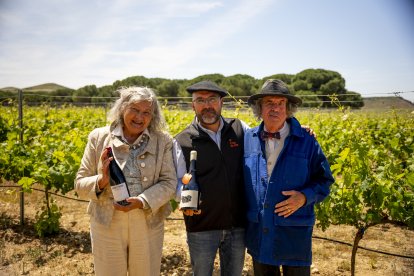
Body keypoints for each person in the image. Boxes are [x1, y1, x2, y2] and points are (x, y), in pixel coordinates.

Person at [75, 86, 176, 276]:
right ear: (122, 109)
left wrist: (142, 201)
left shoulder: (163, 141)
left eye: (147, 112)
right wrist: (102, 180)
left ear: (153, 116)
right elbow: (79, 184)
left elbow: (169, 182)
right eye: (135, 110)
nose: (140, 117)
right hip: (107, 222)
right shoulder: (98, 137)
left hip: (147, 221)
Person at [243, 79, 334, 276]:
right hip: (260, 233)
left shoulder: (307, 141)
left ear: (288, 108)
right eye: (269, 103)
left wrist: (304, 197)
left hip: (294, 234)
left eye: (280, 103)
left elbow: (325, 180)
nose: (275, 108)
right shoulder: (247, 139)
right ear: (260, 107)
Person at [173, 80, 248, 276]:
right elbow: (177, 183)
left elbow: (269, 137)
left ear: (222, 102)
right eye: (200, 100)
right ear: (193, 106)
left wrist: (295, 128)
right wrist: (184, 198)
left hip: (237, 226)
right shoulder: (181, 141)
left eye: (212, 99)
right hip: (201, 228)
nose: (207, 105)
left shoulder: (240, 129)